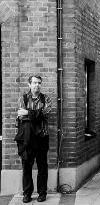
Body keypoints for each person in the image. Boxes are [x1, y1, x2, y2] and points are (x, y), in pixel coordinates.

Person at [15, 75, 52, 203]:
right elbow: (21, 117)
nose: (37, 85)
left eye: (39, 83)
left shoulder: (46, 98)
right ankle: (27, 193)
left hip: (42, 137)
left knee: (42, 167)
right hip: (27, 139)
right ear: (29, 84)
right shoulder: (23, 98)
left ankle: (42, 193)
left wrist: (28, 113)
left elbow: (46, 113)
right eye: (34, 83)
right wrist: (36, 114)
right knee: (26, 167)